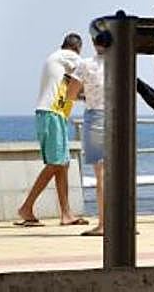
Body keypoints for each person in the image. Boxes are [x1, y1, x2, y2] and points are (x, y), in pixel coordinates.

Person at [15, 33, 88, 227]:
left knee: (62, 164)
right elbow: (87, 72)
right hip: (52, 114)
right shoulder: (68, 56)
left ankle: (66, 214)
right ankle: (26, 207)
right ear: (76, 48)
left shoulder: (59, 64)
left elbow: (74, 91)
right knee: (56, 163)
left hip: (56, 115)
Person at [75, 33, 108, 236]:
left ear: (95, 43)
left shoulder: (86, 64)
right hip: (120, 117)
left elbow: (71, 92)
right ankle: (125, 222)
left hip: (96, 115)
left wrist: (86, 93)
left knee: (102, 174)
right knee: (121, 173)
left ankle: (104, 224)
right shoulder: (122, 63)